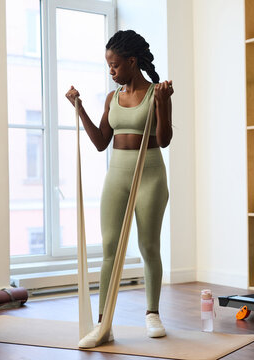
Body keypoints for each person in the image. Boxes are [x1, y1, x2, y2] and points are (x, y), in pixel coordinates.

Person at [65, 30, 173, 348]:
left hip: (150, 175)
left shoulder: (157, 93)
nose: (110, 71)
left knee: (148, 246)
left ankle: (152, 313)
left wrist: (164, 105)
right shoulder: (112, 98)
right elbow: (101, 143)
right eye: (108, 66)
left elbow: (164, 140)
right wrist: (78, 106)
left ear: (131, 61)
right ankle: (104, 323)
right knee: (110, 249)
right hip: (117, 176)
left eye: (114, 65)